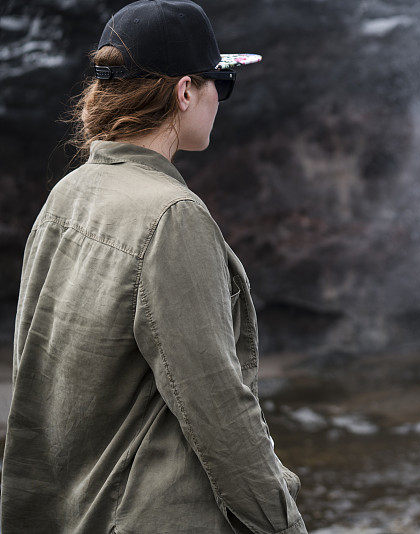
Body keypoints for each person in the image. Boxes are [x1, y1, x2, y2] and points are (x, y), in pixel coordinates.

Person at [0, 1, 308, 533]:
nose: (221, 100)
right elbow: (218, 406)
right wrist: (283, 524)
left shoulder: (67, 197)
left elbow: (36, 377)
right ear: (186, 91)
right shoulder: (173, 216)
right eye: (222, 83)